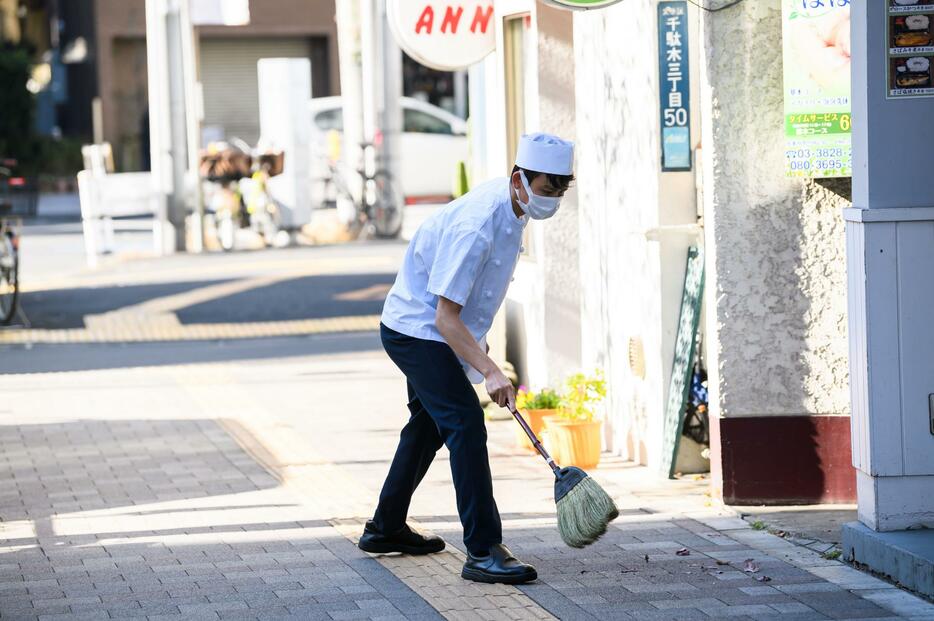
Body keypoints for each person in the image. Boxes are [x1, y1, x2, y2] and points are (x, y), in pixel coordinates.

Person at [358, 133, 575, 584]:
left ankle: (385, 528)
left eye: (559, 192)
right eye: (545, 190)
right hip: (415, 331)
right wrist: (490, 369)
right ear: (519, 179)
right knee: (465, 424)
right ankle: (482, 550)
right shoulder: (477, 223)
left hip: (436, 330)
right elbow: (444, 318)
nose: (550, 201)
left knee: (427, 428)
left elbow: (468, 303)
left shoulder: (512, 209)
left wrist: (478, 350)